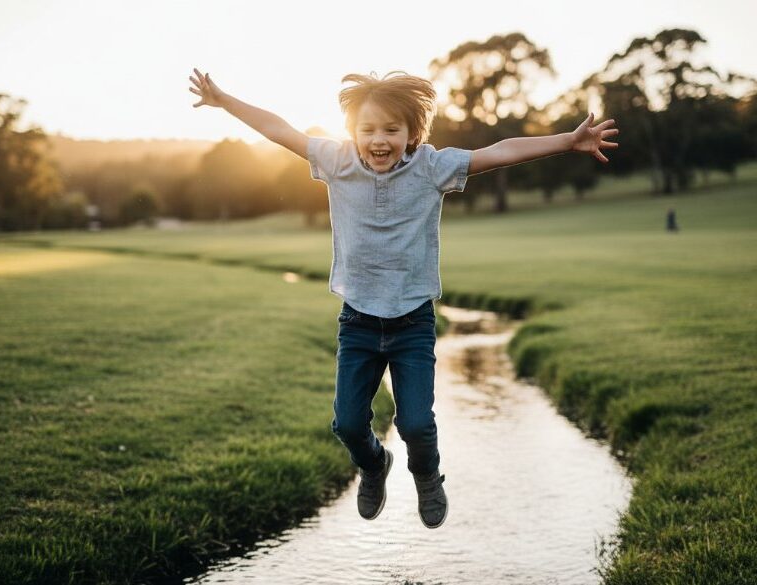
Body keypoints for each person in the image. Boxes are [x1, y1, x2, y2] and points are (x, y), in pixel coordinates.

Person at [188, 68, 618, 529]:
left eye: (391, 130)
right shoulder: (337, 162)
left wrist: (564, 141)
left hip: (413, 322)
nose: (379, 139)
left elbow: (499, 151)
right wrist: (224, 100)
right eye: (368, 129)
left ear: (413, 132)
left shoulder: (432, 168)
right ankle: (374, 466)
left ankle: (426, 475)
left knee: (415, 424)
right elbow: (280, 130)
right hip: (357, 322)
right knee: (348, 424)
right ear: (352, 132)